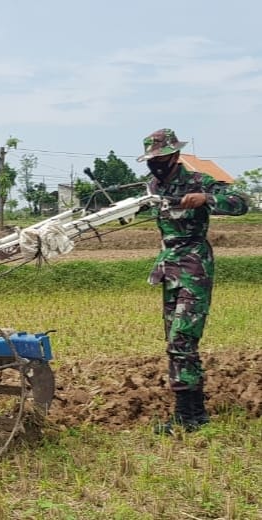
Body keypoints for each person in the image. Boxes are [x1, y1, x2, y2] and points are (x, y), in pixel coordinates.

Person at [137, 128, 250, 434]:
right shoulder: (153, 186)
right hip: (168, 266)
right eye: (151, 159)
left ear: (174, 156)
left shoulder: (198, 180)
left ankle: (192, 418)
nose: (154, 164)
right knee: (174, 342)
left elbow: (241, 201)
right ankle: (187, 413)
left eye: (159, 158)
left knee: (183, 338)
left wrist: (206, 199)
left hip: (194, 265)